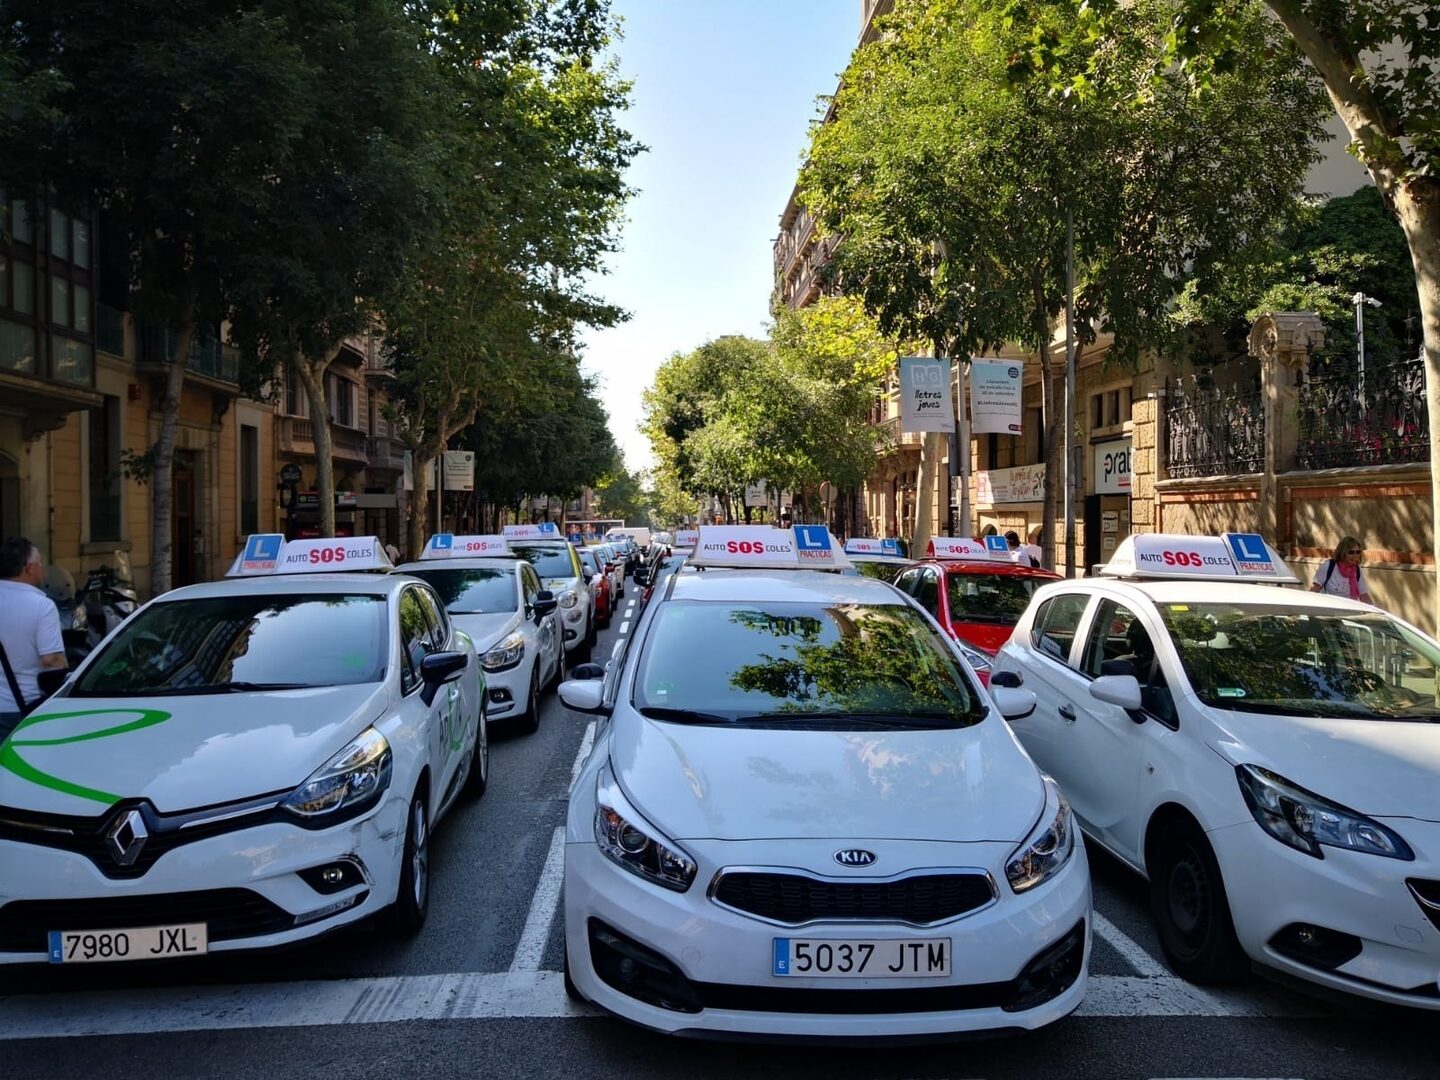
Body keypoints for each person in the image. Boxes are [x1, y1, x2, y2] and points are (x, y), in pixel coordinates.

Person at [0, 537, 67, 742]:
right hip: (22, 707)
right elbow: (51, 660)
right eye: (40, 564)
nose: (42, 570)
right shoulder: (42, 606)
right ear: (29, 568)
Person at [1310, 536, 1373, 604]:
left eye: (1358, 552)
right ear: (1342, 553)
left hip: (1348, 608)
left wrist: (1373, 609)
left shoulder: (1357, 570)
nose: (1355, 555)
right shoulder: (1328, 566)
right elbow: (1315, 589)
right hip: (1330, 608)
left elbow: (1363, 595)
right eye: (1351, 552)